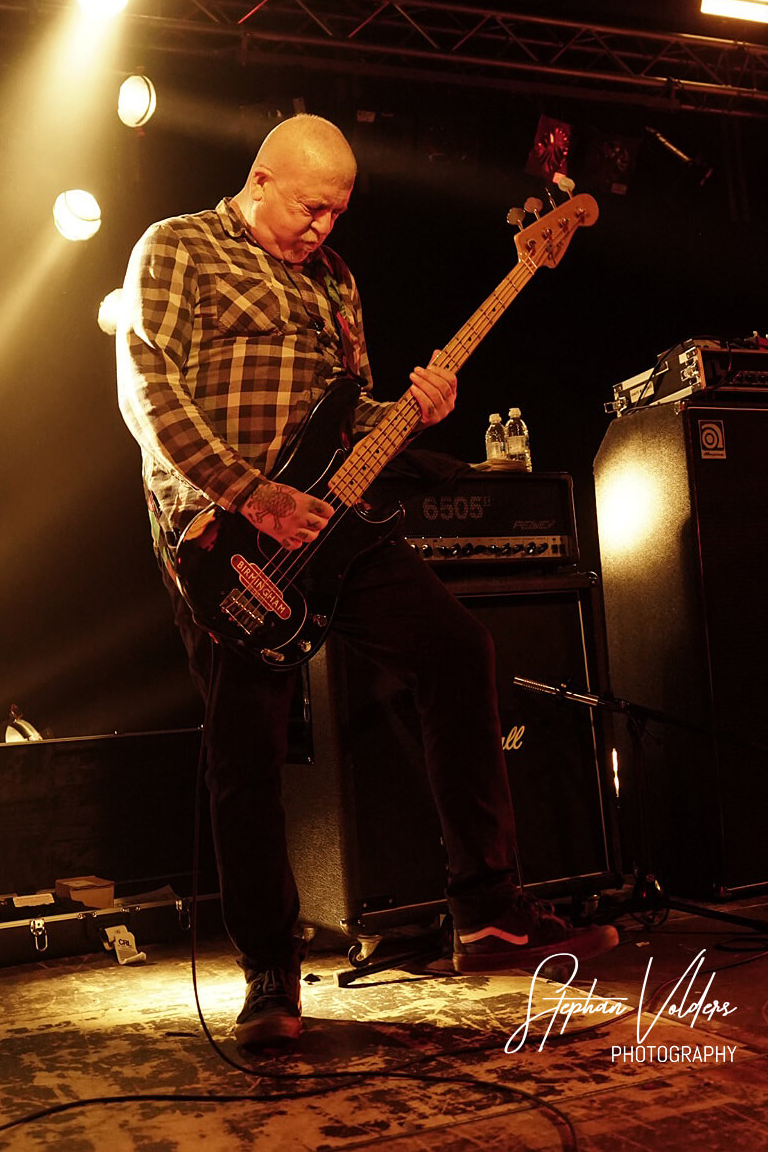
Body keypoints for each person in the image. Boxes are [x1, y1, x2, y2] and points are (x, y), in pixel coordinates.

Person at [116, 114, 617, 1046]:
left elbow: (349, 417)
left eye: (338, 213)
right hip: (226, 535)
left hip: (334, 521)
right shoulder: (178, 248)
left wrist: (415, 409)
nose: (323, 228)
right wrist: (252, 494)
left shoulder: (337, 280)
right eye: (310, 209)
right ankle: (271, 969)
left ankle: (488, 908)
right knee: (247, 749)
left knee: (457, 651)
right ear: (261, 180)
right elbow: (148, 391)